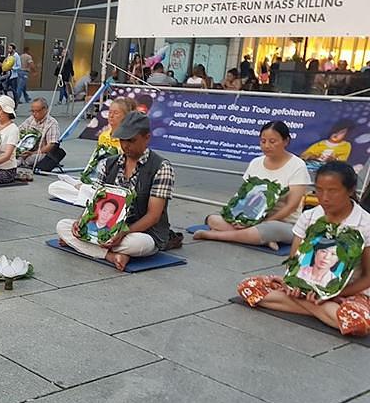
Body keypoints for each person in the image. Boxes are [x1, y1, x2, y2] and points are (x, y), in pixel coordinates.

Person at [238, 162, 370, 337]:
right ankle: (323, 312)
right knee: (248, 287)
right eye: (319, 190)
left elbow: (368, 277)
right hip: (307, 287)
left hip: (349, 292)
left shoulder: (366, 224)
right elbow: (295, 261)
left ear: (351, 190)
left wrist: (332, 295)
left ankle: (313, 307)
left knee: (357, 322)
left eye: (333, 191)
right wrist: (295, 285)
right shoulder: (309, 216)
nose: (325, 197)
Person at [56, 111, 175, 271]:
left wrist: (123, 233)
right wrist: (81, 222)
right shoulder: (108, 164)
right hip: (105, 228)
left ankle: (88, 246)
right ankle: (111, 256)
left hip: (141, 232)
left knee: (137, 244)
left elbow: (153, 216)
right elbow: (95, 202)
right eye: (122, 140)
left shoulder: (161, 167)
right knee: (63, 226)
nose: (125, 146)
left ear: (147, 138)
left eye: (131, 141)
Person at [195, 121, 310, 249]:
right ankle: (259, 239)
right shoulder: (256, 162)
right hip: (251, 219)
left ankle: (214, 235)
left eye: (272, 142)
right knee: (212, 219)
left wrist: (263, 222)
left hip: (281, 223)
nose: (266, 146)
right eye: (263, 141)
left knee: (267, 229)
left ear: (286, 141)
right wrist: (239, 219)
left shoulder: (297, 166)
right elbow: (243, 196)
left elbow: (291, 206)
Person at [16, 98, 60, 180]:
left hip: (41, 152)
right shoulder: (30, 119)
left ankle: (21, 164)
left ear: (45, 110)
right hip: (26, 148)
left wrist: (33, 152)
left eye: (37, 111)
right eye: (32, 111)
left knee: (30, 159)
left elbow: (51, 145)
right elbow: (18, 131)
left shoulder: (52, 123)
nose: (34, 114)